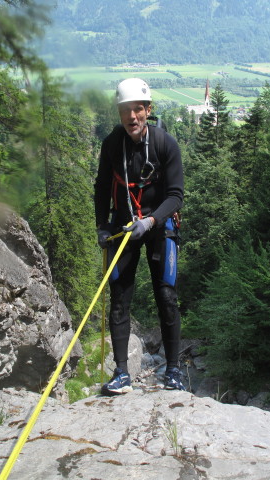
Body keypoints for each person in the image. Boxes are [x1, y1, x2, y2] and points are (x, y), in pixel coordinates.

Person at [94, 78, 185, 395]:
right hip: (122, 227)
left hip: (159, 227)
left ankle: (173, 371)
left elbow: (175, 195)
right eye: (125, 111)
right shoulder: (111, 145)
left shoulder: (165, 144)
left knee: (167, 297)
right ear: (120, 113)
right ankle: (121, 373)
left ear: (148, 110)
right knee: (119, 300)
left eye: (138, 109)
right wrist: (102, 225)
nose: (132, 117)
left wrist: (151, 220)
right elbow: (102, 188)